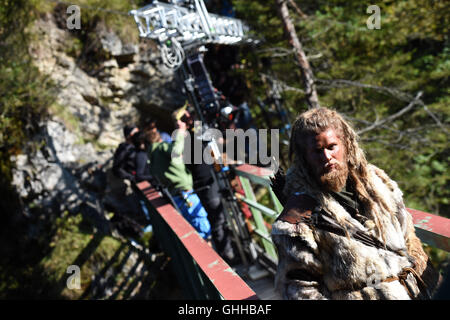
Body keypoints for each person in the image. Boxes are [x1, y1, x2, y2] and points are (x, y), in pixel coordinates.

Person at [270, 107, 441, 300]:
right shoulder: (298, 216)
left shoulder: (377, 183)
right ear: (304, 157)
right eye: (317, 151)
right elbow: (297, 290)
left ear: (345, 144)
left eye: (331, 146)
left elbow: (411, 243)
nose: (326, 157)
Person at [181, 106, 238, 264]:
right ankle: (229, 256)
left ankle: (230, 252)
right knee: (218, 220)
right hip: (207, 184)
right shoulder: (190, 140)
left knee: (219, 219)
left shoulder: (193, 138)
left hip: (208, 183)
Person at [147, 106, 212, 240]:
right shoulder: (163, 148)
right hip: (186, 192)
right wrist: (181, 133)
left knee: (194, 228)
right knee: (202, 226)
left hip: (177, 194)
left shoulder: (152, 157)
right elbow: (176, 152)